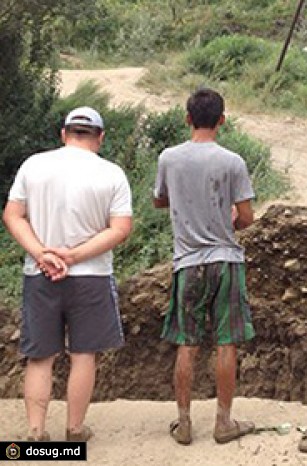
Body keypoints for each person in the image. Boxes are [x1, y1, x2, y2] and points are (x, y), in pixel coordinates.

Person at [2, 106, 133, 442]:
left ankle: (35, 434)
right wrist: (73, 256)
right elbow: (120, 229)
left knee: (40, 357)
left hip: (40, 274)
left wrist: (41, 253)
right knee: (83, 354)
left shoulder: (34, 165)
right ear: (100, 137)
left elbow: (13, 215)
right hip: (91, 275)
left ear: (63, 133)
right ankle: (74, 431)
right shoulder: (112, 174)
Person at [153, 88, 256, 445]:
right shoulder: (233, 161)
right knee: (226, 343)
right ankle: (223, 422)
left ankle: (183, 423)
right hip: (225, 261)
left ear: (187, 119)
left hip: (187, 263)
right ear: (222, 120)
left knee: (187, 343)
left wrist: (185, 200)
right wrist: (228, 218)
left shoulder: (169, 157)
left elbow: (159, 199)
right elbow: (246, 218)